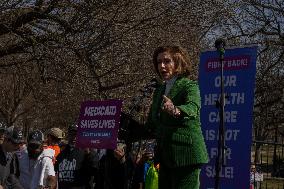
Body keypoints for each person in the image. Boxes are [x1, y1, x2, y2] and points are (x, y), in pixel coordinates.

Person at [145, 45, 208, 189]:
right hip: (165, 156)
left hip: (186, 155)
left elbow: (193, 108)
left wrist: (175, 110)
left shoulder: (189, 86)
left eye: (167, 61)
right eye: (159, 62)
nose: (162, 65)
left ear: (177, 62)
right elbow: (152, 123)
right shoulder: (159, 91)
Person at [55, 124, 97, 189]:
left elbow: (94, 171)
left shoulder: (88, 152)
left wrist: (89, 155)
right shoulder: (61, 154)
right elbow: (55, 172)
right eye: (72, 134)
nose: (74, 137)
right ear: (68, 135)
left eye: (77, 134)